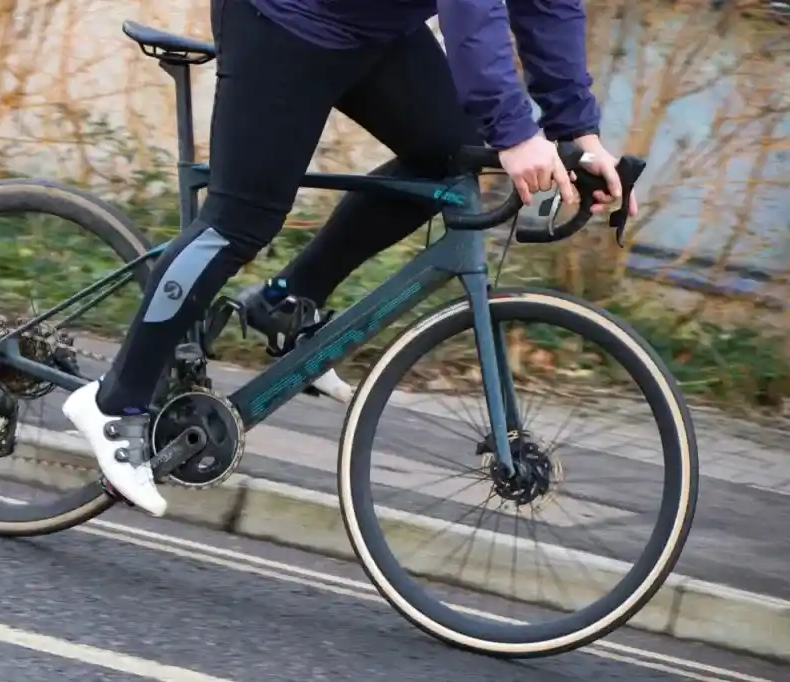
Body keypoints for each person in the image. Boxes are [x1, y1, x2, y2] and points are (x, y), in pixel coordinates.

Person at [63, 0, 639, 517]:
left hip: (374, 26)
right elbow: (473, 11)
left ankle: (287, 300)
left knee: (448, 161)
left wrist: (578, 132)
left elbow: (549, 4)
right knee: (240, 220)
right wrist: (516, 132)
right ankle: (116, 400)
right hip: (284, 17)